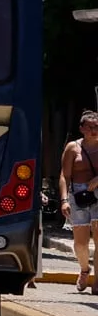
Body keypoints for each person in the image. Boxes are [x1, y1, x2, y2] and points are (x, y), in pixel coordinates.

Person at [60, 111, 98, 292]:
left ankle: (97, 280)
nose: (94, 130)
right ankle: (84, 269)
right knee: (81, 243)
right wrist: (64, 200)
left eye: (96, 127)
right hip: (78, 195)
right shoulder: (73, 148)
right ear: (82, 128)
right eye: (90, 127)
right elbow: (64, 176)